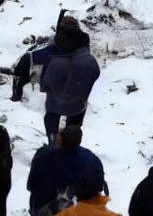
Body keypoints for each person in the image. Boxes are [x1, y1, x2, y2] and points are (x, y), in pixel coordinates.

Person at [26, 124, 103, 216]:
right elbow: (98, 186)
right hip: (74, 203)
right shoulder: (90, 159)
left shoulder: (45, 155)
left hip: (43, 201)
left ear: (60, 139)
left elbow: (31, 184)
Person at [28, 15, 100, 143]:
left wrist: (44, 88)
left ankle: (52, 138)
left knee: (52, 115)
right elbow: (94, 75)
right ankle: (71, 141)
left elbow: (41, 71)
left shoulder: (54, 52)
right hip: (78, 102)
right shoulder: (88, 59)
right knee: (75, 119)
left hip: (55, 101)